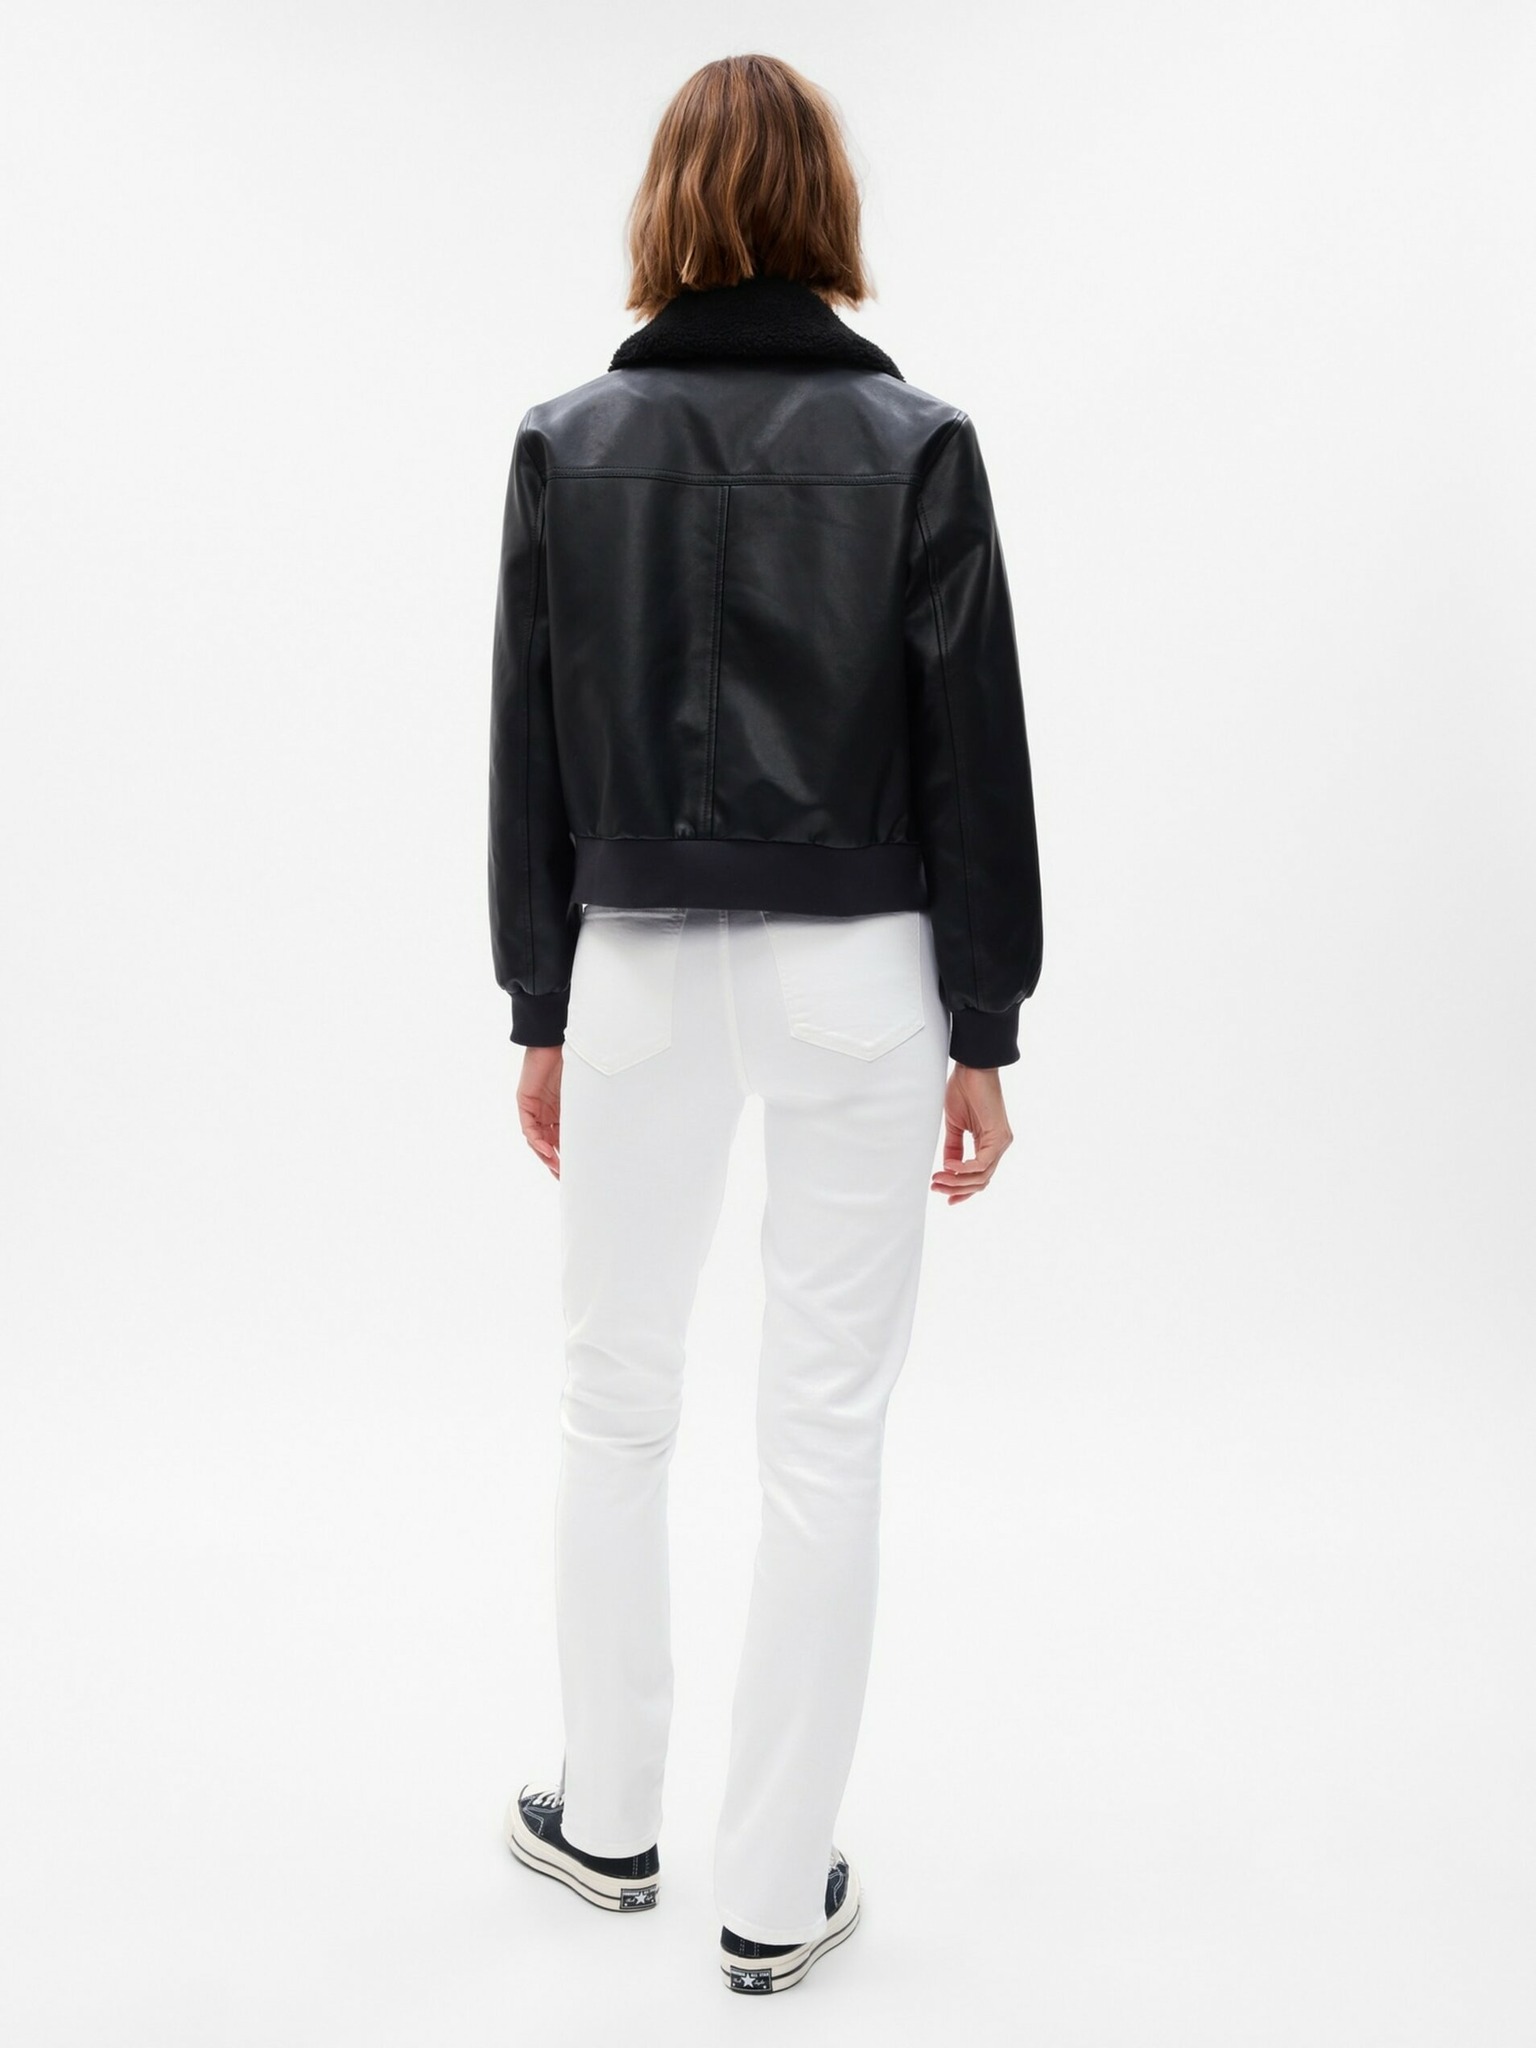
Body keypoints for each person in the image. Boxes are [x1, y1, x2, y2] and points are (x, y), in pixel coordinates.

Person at [488, 52, 1044, 1995]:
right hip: (857, 968)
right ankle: (774, 1891)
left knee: (612, 1400)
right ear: (826, 206)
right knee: (822, 1434)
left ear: (664, 207)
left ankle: (607, 1818)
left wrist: (539, 1003)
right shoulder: (918, 444)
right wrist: (984, 1023)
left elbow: (526, 751)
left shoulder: (567, 443)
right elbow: (975, 755)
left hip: (635, 962)